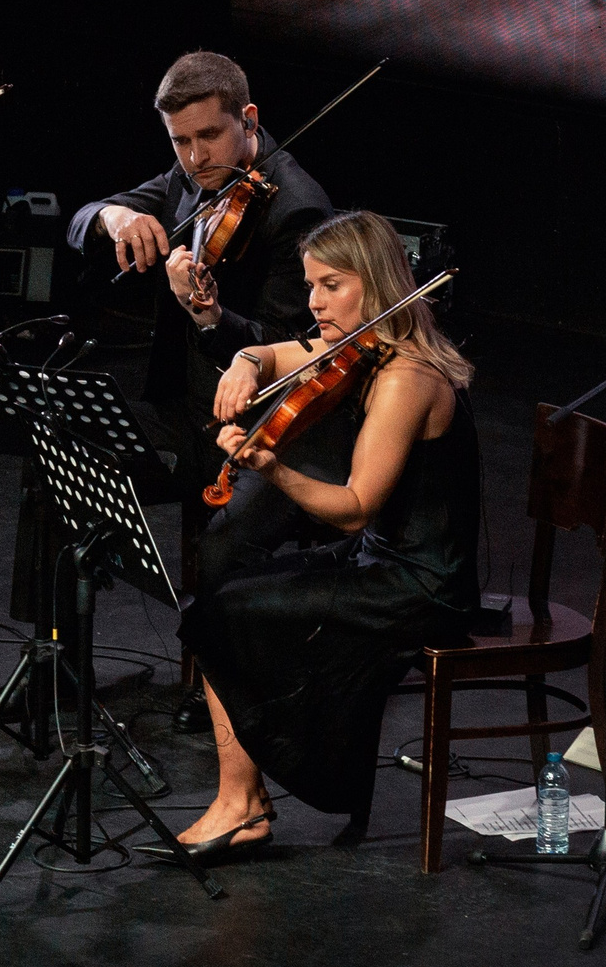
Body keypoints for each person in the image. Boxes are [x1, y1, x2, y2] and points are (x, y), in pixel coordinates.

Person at [169, 210, 480, 855]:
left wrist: (271, 468)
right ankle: (243, 799)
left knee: (226, 611)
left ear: (373, 281)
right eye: (310, 285)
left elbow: (356, 507)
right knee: (220, 599)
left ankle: (241, 803)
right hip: (382, 563)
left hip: (421, 582)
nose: (314, 302)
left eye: (330, 285)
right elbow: (283, 348)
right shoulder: (367, 348)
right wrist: (246, 363)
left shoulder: (406, 378)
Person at [66, 50, 335, 721]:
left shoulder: (295, 209)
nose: (192, 156)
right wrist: (118, 219)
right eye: (178, 142)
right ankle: (60, 668)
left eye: (206, 137)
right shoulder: (192, 177)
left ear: (248, 119)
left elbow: (287, 353)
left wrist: (209, 313)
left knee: (223, 544)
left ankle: (218, 691)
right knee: (62, 460)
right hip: (185, 417)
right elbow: (83, 219)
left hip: (267, 433)